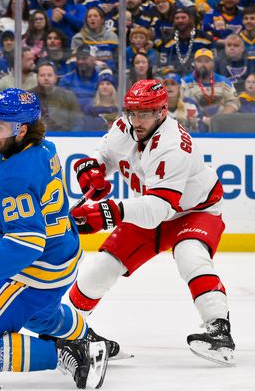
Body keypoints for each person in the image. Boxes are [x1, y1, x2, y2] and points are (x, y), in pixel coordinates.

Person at [0, 88, 109, 389]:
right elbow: (30, 199)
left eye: (0, 127)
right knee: (42, 315)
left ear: (22, 129)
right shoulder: (44, 148)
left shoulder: (9, 175)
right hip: (63, 258)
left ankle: (71, 351)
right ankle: (84, 335)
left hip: (32, 271)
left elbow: (27, 242)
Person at [69, 79, 234, 366]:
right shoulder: (124, 126)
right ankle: (68, 331)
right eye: (132, 112)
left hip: (194, 211)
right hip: (150, 207)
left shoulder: (173, 146)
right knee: (103, 266)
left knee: (190, 256)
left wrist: (108, 212)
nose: (136, 120)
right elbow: (105, 156)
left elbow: (159, 209)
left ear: (162, 112)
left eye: (144, 113)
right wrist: (92, 169)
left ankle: (220, 332)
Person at [182, 48, 240, 129]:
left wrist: (218, 120)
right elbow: (181, 105)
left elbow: (234, 102)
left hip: (221, 123)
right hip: (194, 125)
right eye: (199, 61)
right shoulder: (185, 82)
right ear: (194, 64)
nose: (203, 64)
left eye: (207, 61)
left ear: (213, 64)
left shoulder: (224, 82)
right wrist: (201, 119)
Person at [155, 7, 213, 77]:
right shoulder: (168, 42)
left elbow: (214, 62)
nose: (180, 20)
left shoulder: (205, 38)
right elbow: (163, 66)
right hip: (175, 81)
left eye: (183, 17)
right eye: (177, 18)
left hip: (200, 79)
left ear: (190, 19)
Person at [30, 60, 82, 131]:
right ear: (37, 77)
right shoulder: (28, 96)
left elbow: (78, 122)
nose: (46, 78)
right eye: (42, 75)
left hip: (64, 137)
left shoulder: (69, 96)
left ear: (55, 78)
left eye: (49, 75)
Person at [59, 44, 104, 111]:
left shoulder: (102, 80)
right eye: (78, 58)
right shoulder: (66, 80)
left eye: (84, 58)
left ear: (94, 59)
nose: (80, 61)